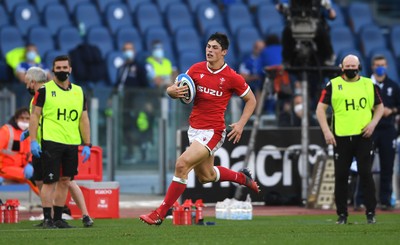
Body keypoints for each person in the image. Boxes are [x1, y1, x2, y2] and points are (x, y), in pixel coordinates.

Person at [139, 32, 259, 226]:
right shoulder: (196, 69)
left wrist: (241, 123)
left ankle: (160, 213)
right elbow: (174, 88)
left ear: (224, 52)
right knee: (206, 176)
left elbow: (251, 100)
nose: (209, 51)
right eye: (208, 46)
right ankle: (242, 177)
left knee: (181, 164)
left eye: (215, 48)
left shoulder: (231, 77)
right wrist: (171, 91)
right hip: (194, 128)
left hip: (213, 131)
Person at [315, 54, 384, 224]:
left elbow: (380, 107)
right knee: (341, 175)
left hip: (363, 136)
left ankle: (370, 212)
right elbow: (320, 109)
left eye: (354, 66)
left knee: (366, 174)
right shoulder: (333, 85)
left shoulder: (369, 84)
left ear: (359, 67)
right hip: (341, 137)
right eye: (348, 66)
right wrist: (326, 131)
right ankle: (342, 214)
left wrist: (373, 124)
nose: (351, 69)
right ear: (342, 67)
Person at [22, 67, 94, 228]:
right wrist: (30, 133)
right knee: (42, 181)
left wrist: (86, 142)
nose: (26, 86)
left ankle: (85, 215)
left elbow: (60, 118)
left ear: (32, 82)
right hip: (40, 146)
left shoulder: (49, 94)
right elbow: (40, 121)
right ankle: (51, 217)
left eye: (27, 82)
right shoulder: (37, 98)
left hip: (54, 145)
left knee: (66, 180)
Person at [369, 55, 400, 210]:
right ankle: (362, 200)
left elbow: (399, 106)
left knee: (387, 166)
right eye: (377, 64)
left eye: (382, 64)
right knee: (364, 166)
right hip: (370, 129)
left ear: (387, 66)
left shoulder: (393, 86)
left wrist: (392, 110)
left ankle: (385, 200)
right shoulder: (366, 85)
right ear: (372, 66)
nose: (380, 67)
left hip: (388, 130)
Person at [114, 42, 152, 163]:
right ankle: (129, 152)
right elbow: (117, 85)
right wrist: (111, 98)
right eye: (125, 49)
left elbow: (145, 85)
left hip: (137, 101)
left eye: (130, 49)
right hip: (124, 102)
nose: (128, 52)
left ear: (134, 51)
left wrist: (147, 101)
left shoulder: (139, 67)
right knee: (126, 127)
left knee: (138, 126)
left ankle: (143, 150)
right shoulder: (121, 68)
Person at [278, 0, 336, 66]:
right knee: (287, 32)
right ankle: (286, 60)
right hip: (296, 24)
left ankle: (329, 56)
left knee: (322, 32)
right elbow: (281, 6)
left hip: (314, 25)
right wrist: (281, 7)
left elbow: (332, 15)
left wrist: (328, 8)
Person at [0, 107, 39, 195]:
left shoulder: (29, 134)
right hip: (4, 168)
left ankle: (50, 202)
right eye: (22, 118)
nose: (24, 121)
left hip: (22, 168)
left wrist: (30, 164)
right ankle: (48, 202)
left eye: (27, 118)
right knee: (32, 177)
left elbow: (31, 153)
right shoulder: (7, 131)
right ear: (16, 119)